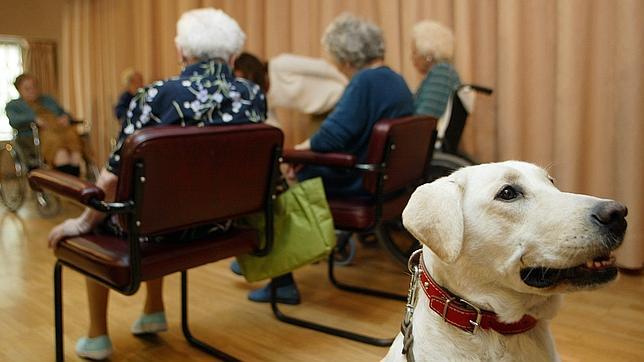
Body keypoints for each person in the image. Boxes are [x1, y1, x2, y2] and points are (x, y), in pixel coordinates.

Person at [46, 8, 266, 360]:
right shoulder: (252, 95)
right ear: (234, 56)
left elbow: (113, 175)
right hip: (223, 224)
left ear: (181, 52)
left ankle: (97, 336)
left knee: (109, 214)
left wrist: (82, 220)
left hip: (160, 228)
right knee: (150, 204)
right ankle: (153, 310)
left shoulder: (154, 95)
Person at [244, 13, 414, 305]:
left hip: (357, 183)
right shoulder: (396, 80)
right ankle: (267, 256)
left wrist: (295, 154)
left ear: (346, 58)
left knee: (273, 183)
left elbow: (330, 138)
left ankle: (276, 272)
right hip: (388, 184)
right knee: (298, 170)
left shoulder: (364, 82)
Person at [5, 74, 83, 175]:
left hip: (60, 131)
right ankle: (66, 183)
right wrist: (34, 119)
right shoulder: (14, 106)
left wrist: (65, 117)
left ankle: (74, 181)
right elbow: (14, 121)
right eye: (27, 88)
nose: (32, 90)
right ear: (19, 90)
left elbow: (64, 113)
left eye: (34, 86)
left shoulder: (48, 100)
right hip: (36, 139)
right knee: (58, 146)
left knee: (73, 141)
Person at [410, 20, 461, 118]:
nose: (412, 58)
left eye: (414, 52)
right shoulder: (444, 72)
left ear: (427, 54)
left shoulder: (441, 73)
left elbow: (425, 119)